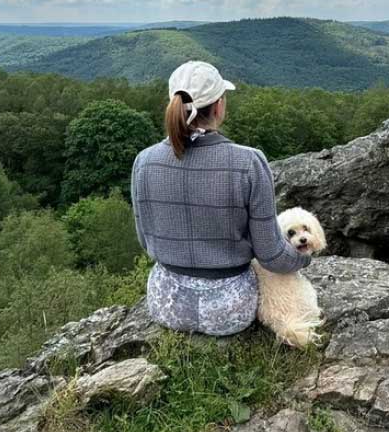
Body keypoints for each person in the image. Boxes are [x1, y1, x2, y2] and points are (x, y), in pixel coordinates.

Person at [131, 59, 310, 336]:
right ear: (218, 106)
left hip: (165, 303)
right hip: (228, 310)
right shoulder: (248, 162)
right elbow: (271, 255)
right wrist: (303, 257)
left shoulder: (144, 161)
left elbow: (146, 240)